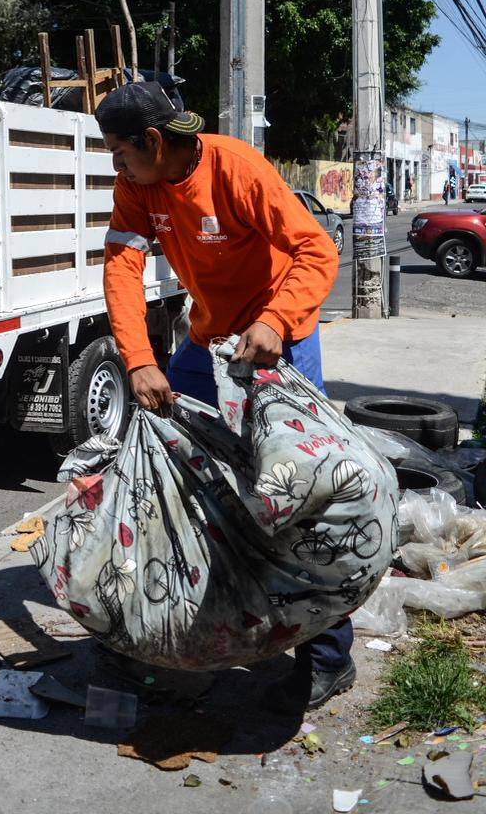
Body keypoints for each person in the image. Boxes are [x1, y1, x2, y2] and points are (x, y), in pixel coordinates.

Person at [95, 80, 349, 711]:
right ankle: (167, 618)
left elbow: (316, 249)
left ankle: (327, 656)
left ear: (153, 140)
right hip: (207, 340)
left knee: (294, 493)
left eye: (120, 152)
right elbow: (122, 267)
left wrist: (276, 320)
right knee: (162, 467)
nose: (116, 166)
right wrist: (139, 360)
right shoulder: (138, 186)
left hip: (277, 338)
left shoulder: (237, 168)